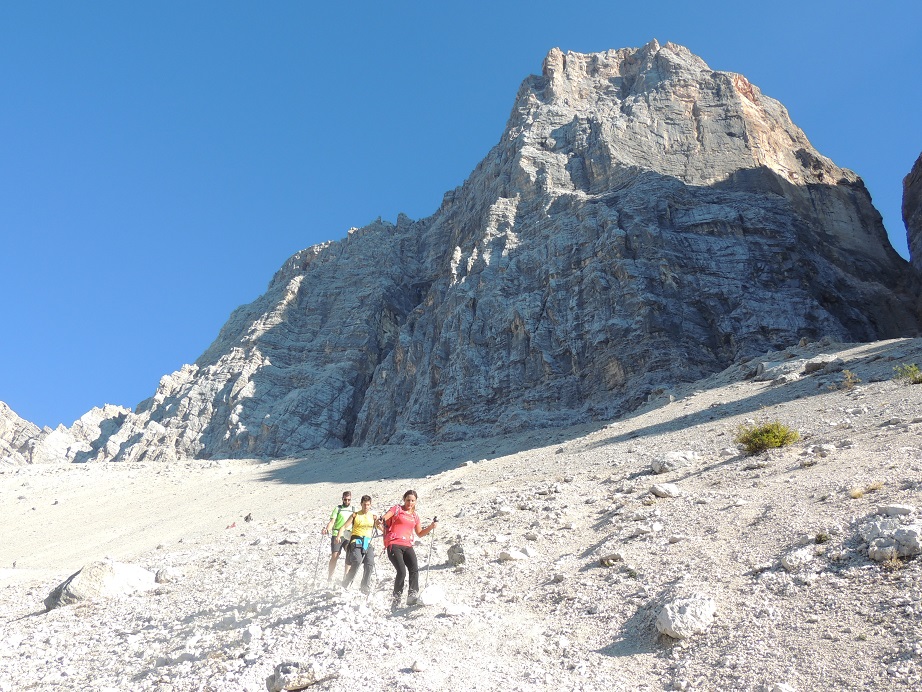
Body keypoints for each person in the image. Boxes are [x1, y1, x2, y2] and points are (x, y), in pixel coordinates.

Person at [382, 489, 437, 609]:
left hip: (407, 545)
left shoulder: (415, 516)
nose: (410, 503)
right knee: (401, 571)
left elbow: (420, 533)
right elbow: (386, 517)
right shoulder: (397, 509)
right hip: (394, 543)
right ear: (404, 499)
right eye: (408, 500)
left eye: (413, 501)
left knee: (414, 569)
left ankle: (412, 594)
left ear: (416, 502)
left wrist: (431, 527)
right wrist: (381, 519)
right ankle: (396, 600)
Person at [339, 495, 383, 594]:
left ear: (370, 505)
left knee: (370, 562)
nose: (366, 507)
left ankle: (365, 586)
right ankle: (347, 580)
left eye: (368, 505)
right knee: (357, 561)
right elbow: (344, 526)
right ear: (361, 504)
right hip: (356, 540)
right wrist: (338, 536)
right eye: (364, 505)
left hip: (367, 542)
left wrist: (387, 534)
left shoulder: (373, 516)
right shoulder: (355, 515)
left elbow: (380, 527)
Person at [322, 490, 354, 583]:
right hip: (337, 534)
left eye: (348, 500)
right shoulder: (338, 509)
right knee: (335, 555)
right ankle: (330, 576)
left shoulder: (353, 509)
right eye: (345, 500)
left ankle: (346, 577)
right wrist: (327, 529)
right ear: (342, 499)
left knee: (349, 553)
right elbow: (332, 521)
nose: (347, 502)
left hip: (348, 534)